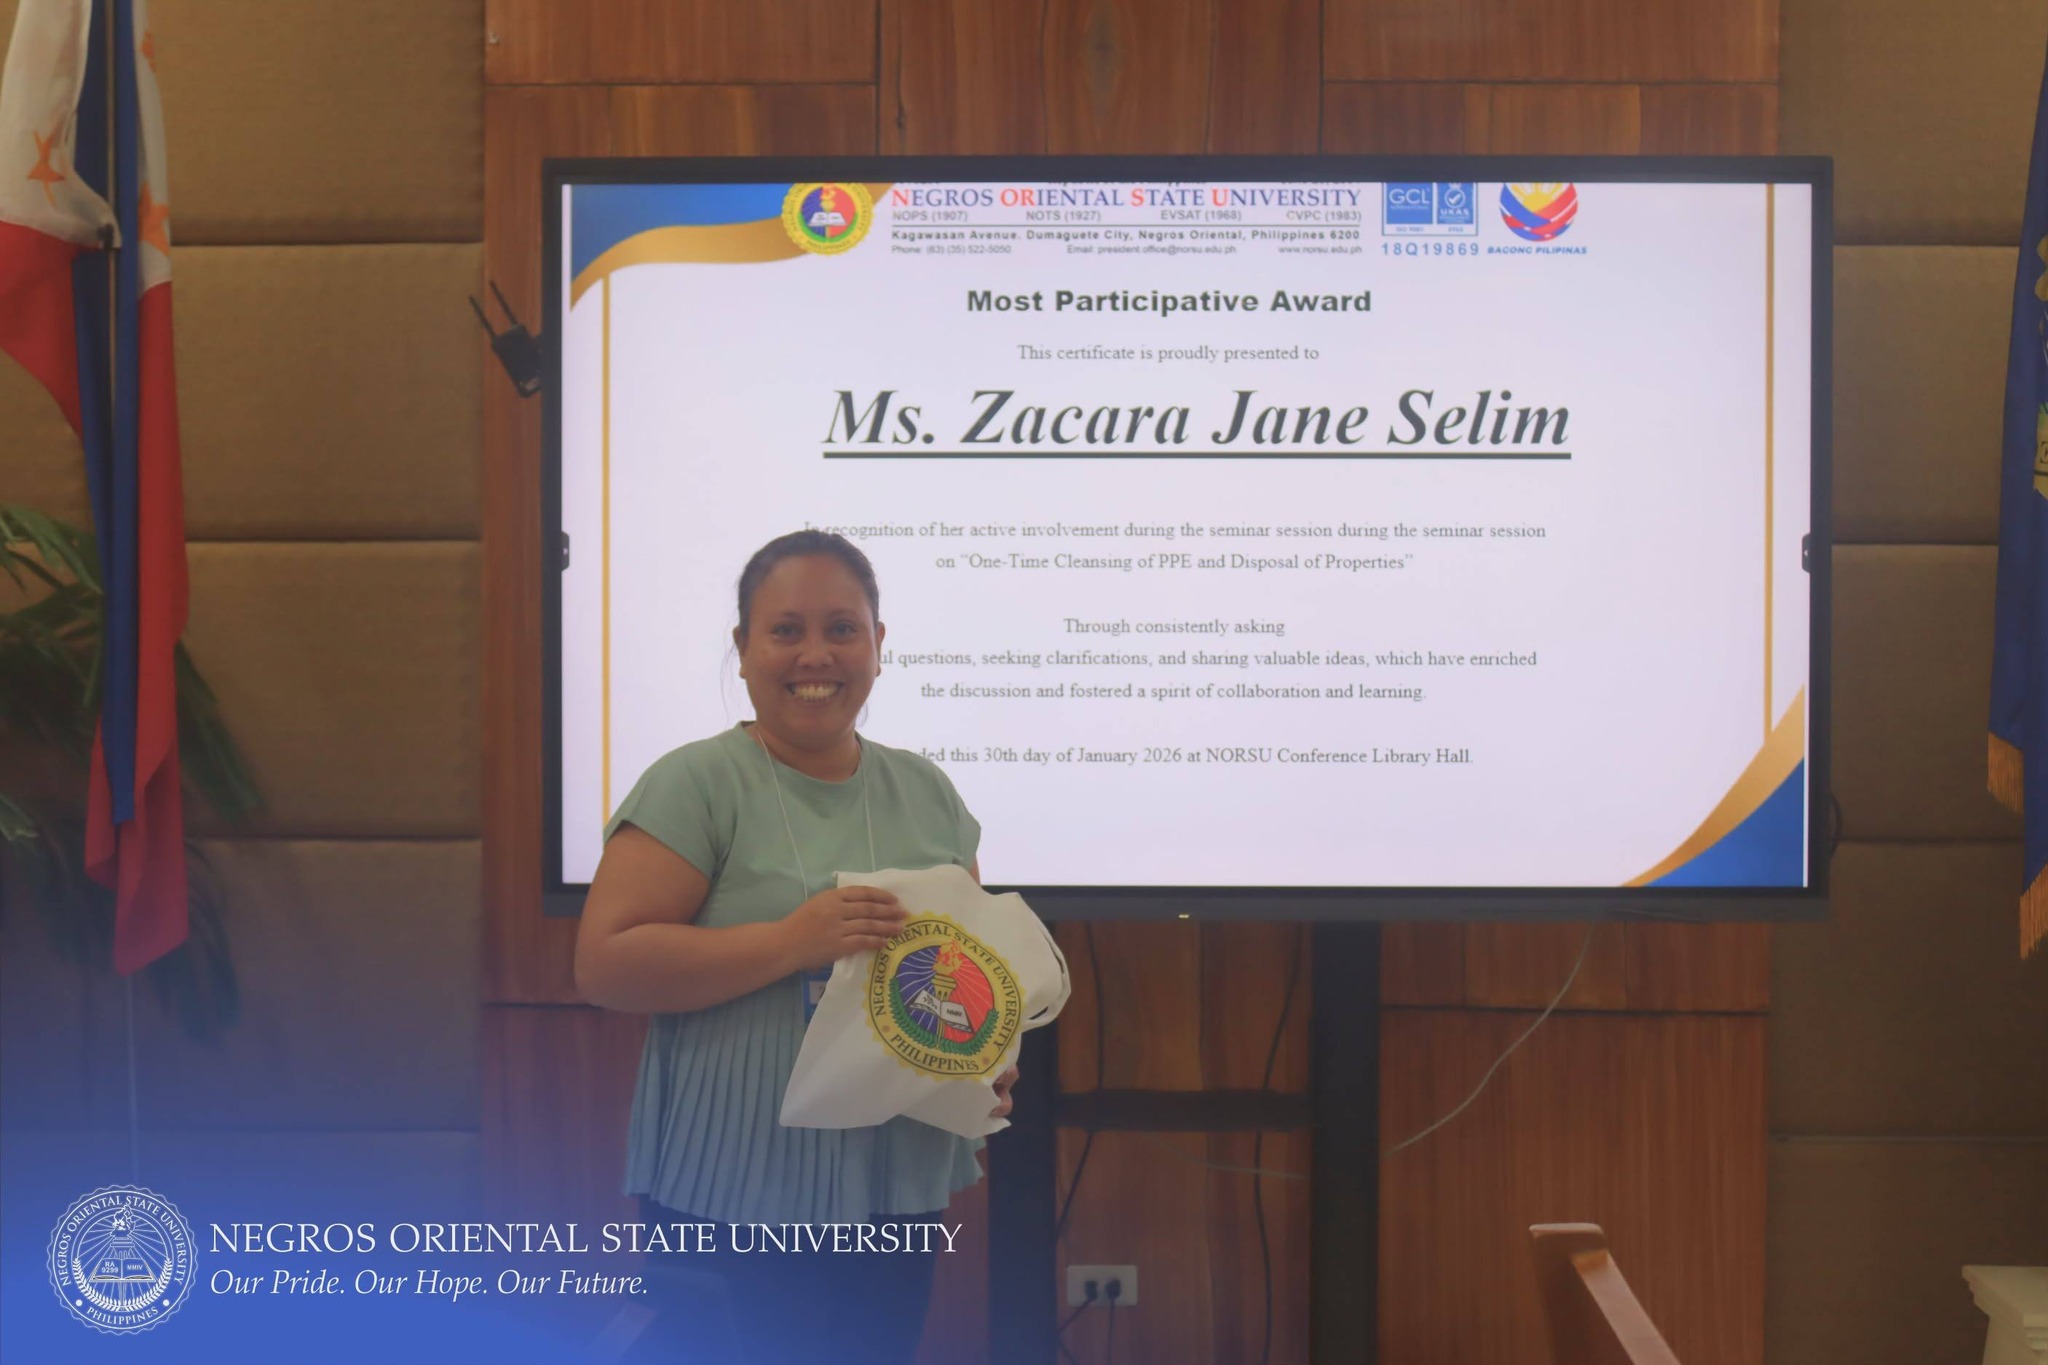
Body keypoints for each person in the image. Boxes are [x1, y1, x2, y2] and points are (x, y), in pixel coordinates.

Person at [574, 530, 1017, 1365]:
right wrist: (790, 941)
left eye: (842, 628)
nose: (816, 654)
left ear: (878, 644)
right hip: (736, 1180)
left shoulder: (927, 791)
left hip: (894, 1175)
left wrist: (982, 1056)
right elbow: (606, 964)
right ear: (743, 649)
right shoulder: (696, 781)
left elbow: (964, 970)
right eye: (785, 630)